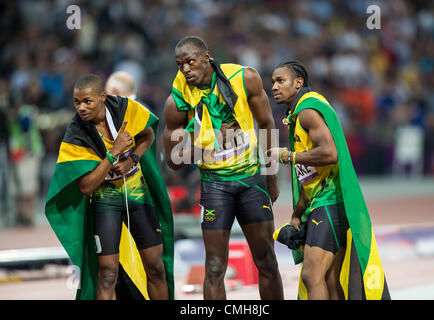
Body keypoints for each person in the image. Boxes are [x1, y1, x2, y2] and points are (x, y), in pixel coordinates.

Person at [163, 35, 283, 300]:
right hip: (215, 184)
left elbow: (266, 125)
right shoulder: (177, 99)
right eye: (179, 64)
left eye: (190, 62)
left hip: (252, 179)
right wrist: (214, 143)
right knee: (215, 267)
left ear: (207, 56)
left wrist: (271, 177)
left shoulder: (245, 78)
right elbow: (173, 160)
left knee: (267, 261)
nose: (185, 69)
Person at [45, 74, 174, 300]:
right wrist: (113, 153)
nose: (81, 108)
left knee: (155, 268)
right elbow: (86, 187)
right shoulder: (76, 133)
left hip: (138, 193)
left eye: (88, 101)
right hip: (105, 199)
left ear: (103, 97)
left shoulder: (124, 107)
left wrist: (132, 159)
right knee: (107, 273)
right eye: (77, 102)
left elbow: (148, 134)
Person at [269, 61, 390, 300]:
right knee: (332, 281)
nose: (273, 86)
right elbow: (311, 171)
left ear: (298, 82)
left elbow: (329, 153)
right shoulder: (299, 113)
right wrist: (299, 211)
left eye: (280, 81)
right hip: (322, 202)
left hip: (330, 203)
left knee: (312, 277)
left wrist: (287, 156)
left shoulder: (307, 111)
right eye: (273, 81)